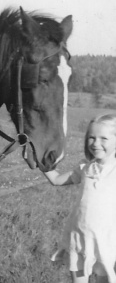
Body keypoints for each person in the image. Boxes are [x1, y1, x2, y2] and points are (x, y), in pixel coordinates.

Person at [44, 114, 116, 283]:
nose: (96, 143)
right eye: (91, 137)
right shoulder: (85, 167)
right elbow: (56, 180)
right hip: (79, 238)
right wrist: (39, 162)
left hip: (106, 240)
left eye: (103, 138)